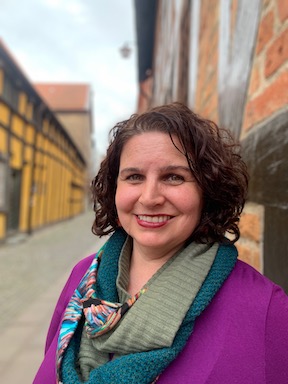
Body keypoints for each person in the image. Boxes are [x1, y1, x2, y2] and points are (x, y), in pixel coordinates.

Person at [34, 103, 288, 384]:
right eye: (134, 177)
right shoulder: (82, 278)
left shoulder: (265, 309)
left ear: (207, 189)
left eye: (173, 177)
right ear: (115, 187)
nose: (150, 197)